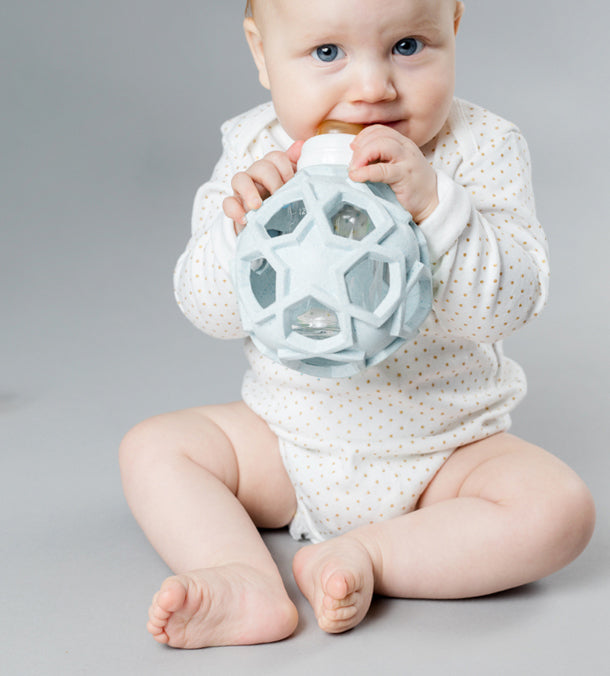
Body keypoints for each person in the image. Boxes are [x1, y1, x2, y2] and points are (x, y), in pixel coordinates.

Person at [119, 0, 595, 649]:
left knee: (559, 512)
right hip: (287, 444)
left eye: (406, 46)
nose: (373, 88)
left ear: (451, 27)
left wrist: (437, 209)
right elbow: (209, 312)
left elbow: (513, 302)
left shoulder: (482, 147)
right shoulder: (255, 150)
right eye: (326, 53)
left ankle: (369, 555)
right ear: (262, 54)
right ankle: (241, 576)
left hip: (446, 456)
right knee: (154, 449)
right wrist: (241, 232)